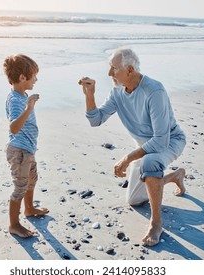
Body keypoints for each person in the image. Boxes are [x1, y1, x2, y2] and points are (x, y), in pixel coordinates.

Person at [78, 48, 186, 246]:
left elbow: (161, 141)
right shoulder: (117, 92)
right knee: (134, 200)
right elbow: (96, 120)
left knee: (150, 162)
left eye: (113, 68)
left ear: (129, 70)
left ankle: (156, 223)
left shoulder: (154, 91)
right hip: (144, 148)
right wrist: (89, 94)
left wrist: (128, 159)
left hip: (170, 141)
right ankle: (174, 176)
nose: (109, 74)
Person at [3, 54, 49, 238]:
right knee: (20, 187)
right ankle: (14, 225)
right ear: (22, 77)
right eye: (34, 76)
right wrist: (29, 108)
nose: (36, 80)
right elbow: (14, 127)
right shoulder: (16, 100)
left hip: (28, 150)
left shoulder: (22, 95)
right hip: (19, 151)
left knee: (32, 179)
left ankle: (29, 209)